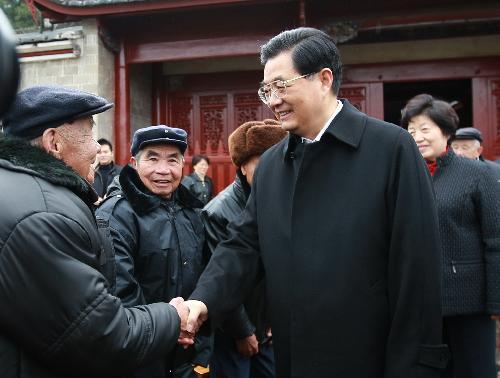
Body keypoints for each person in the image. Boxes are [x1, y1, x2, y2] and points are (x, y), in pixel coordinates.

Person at [183, 27, 447, 378]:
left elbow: (418, 270)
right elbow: (242, 246)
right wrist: (203, 301)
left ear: (324, 79)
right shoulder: (273, 165)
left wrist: (414, 365)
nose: (273, 100)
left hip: (372, 358)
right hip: (295, 357)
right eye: (267, 90)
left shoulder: (391, 149)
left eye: (281, 86)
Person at [0, 86, 192, 378]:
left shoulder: (27, 191)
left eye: (172, 159)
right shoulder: (44, 216)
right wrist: (172, 317)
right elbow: (97, 334)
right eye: (89, 134)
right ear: (53, 142)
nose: (96, 149)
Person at [96, 125, 211, 378]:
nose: (163, 170)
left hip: (188, 354)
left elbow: (206, 274)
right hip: (140, 359)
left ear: (183, 164)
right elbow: (120, 296)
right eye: (152, 158)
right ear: (134, 163)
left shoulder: (192, 211)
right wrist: (173, 328)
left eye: (172, 160)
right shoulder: (115, 215)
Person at [402, 94, 500, 378]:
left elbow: (495, 241)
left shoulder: (478, 174)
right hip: (421, 306)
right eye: (411, 130)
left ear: (445, 131)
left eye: (424, 129)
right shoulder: (405, 177)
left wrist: (496, 302)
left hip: (470, 304)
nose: (417, 136)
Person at [202, 119, 287, 378]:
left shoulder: (281, 202)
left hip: (269, 326)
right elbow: (223, 278)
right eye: (262, 164)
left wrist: (275, 320)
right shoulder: (219, 212)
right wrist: (243, 331)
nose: (272, 171)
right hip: (235, 331)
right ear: (241, 167)